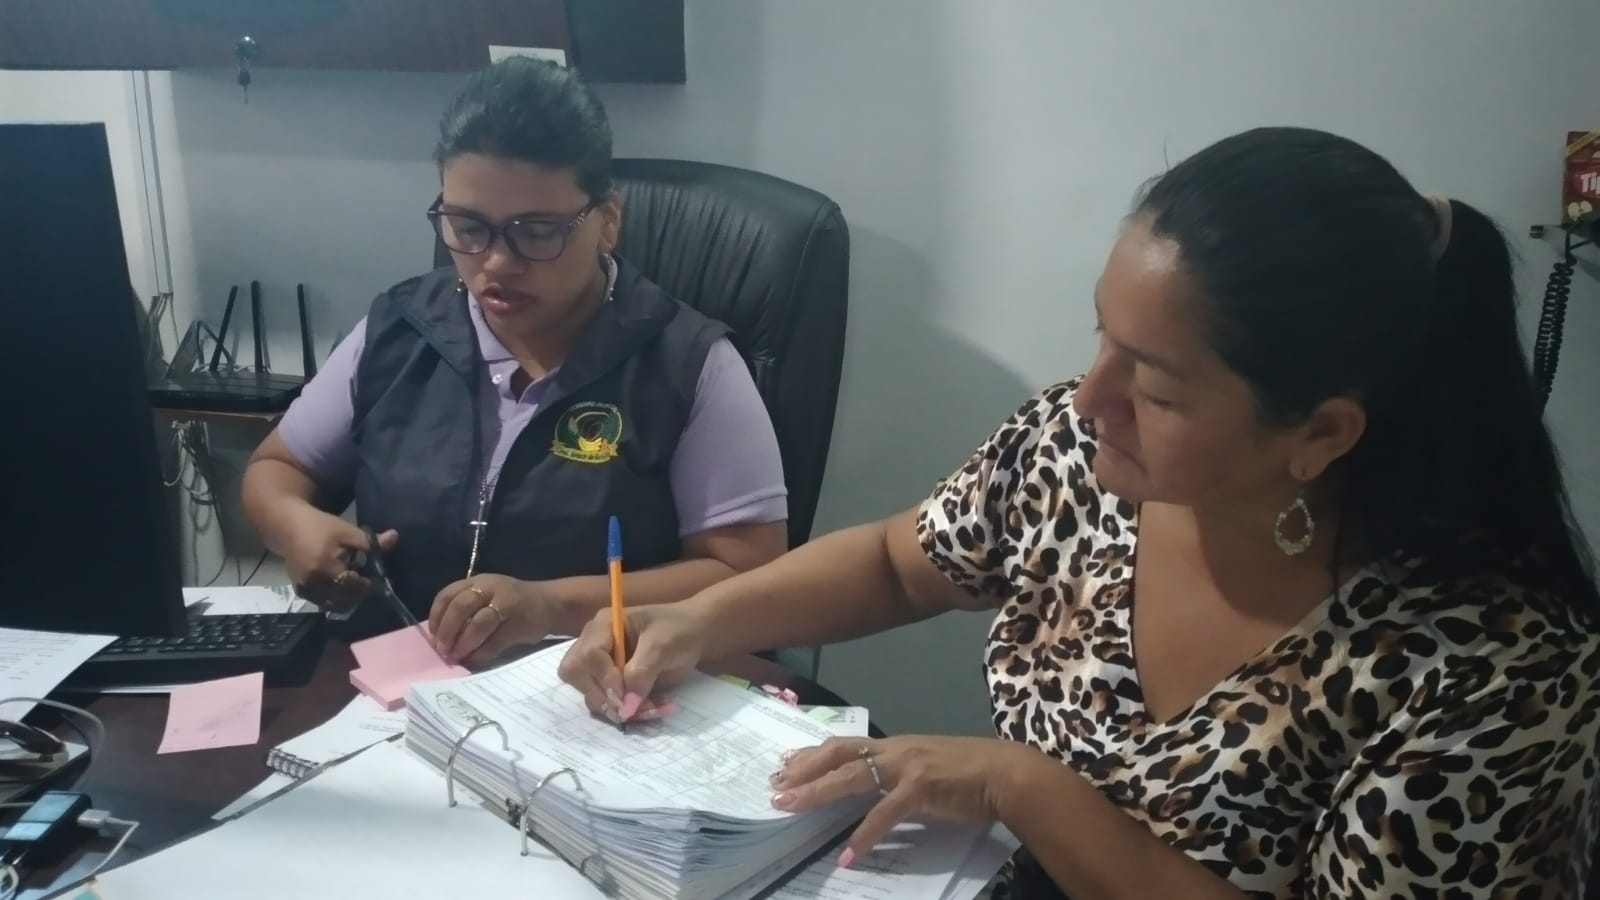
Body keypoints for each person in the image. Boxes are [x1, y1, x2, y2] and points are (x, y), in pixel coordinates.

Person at [557, 126, 1600, 898]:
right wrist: (701, 620)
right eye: (1102, 337)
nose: (1090, 399)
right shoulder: (1075, 453)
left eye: (1157, 388)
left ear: (1320, 433)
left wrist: (1024, 787)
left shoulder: (1493, 670)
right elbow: (898, 561)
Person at [241, 57, 788, 665]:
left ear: (607, 222)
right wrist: (293, 525)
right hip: (394, 683)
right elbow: (276, 468)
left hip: (595, 689)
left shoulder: (689, 364)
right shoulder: (399, 329)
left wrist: (551, 606)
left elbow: (750, 576)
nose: (497, 263)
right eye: (467, 226)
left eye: (537, 232)